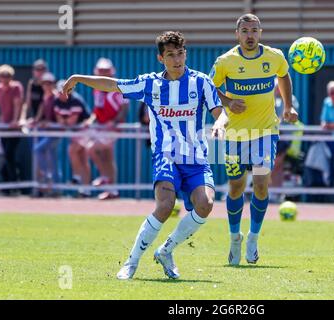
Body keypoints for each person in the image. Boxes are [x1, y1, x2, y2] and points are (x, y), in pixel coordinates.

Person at [62, 31, 227, 280]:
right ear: (160, 58)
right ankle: (131, 262)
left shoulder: (201, 82)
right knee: (165, 205)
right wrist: (78, 78)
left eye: (180, 53)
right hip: (165, 154)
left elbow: (220, 111)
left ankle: (166, 251)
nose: (177, 59)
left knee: (206, 204)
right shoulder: (150, 83)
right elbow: (113, 84)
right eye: (170, 55)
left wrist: (220, 124)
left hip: (196, 158)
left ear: (186, 54)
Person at [210, 14, 298, 266]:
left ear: (261, 32)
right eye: (245, 30)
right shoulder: (225, 61)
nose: (250, 35)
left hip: (265, 133)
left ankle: (253, 238)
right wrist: (227, 102)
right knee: (236, 186)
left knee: (261, 183)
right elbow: (209, 88)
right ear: (237, 34)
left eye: (254, 30)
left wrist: (288, 106)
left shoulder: (274, 57)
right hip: (235, 134)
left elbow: (284, 76)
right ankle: (234, 238)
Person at [84, 58, 129, 200]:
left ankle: (104, 177)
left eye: (106, 71)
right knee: (108, 158)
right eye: (101, 70)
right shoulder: (97, 89)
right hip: (102, 128)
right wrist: (90, 120)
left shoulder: (117, 87)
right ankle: (112, 190)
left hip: (112, 129)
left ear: (111, 72)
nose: (103, 73)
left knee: (91, 148)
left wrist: (114, 122)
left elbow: (124, 107)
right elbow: (97, 110)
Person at [54, 80, 91, 197]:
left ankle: (77, 178)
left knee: (73, 151)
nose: (62, 93)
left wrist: (64, 121)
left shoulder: (76, 100)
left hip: (84, 131)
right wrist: (64, 121)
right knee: (82, 158)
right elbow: (60, 120)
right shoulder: (56, 101)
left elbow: (71, 121)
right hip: (75, 133)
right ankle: (85, 189)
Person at [0, 64, 24, 188]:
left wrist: (15, 121)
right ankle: (6, 185)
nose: (5, 78)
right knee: (3, 155)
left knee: (10, 154)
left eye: (7, 75)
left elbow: (17, 104)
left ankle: (14, 184)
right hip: (3, 129)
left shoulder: (16, 87)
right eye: (2, 76)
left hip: (14, 129)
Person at [32, 72, 61, 196]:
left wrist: (48, 122)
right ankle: (56, 188)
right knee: (53, 158)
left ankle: (46, 175)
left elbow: (59, 116)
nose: (47, 86)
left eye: (49, 83)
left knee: (38, 149)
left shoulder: (56, 98)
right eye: (44, 83)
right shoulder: (45, 97)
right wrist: (35, 121)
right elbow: (40, 114)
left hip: (56, 132)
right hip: (49, 132)